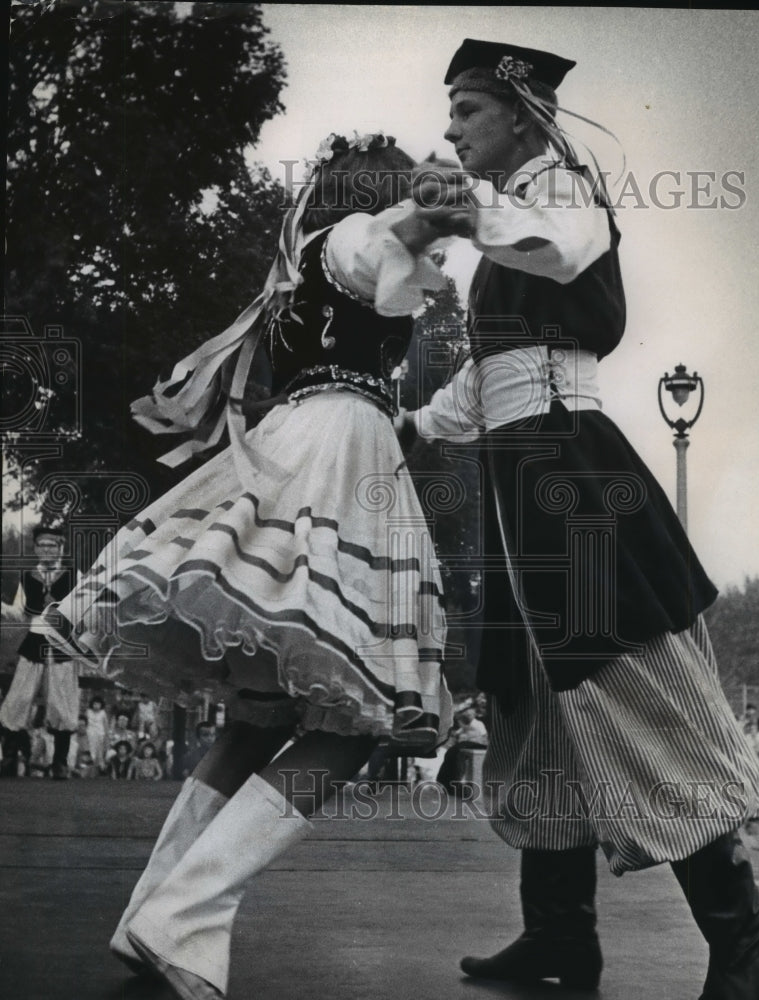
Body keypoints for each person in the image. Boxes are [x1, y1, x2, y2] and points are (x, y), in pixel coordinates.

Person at [398, 38, 759, 1000]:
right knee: (537, 710)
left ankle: (745, 929)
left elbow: (562, 250)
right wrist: (402, 421)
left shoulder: (559, 191)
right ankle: (560, 938)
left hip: (569, 480)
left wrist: (465, 210)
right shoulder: (507, 220)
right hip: (521, 476)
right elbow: (488, 381)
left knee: (630, 692)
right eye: (449, 112)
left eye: (467, 111)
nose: (450, 129)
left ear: (523, 115)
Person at [43, 129, 467, 1000]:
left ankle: (154, 914)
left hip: (290, 442)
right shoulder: (356, 238)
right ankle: (181, 917)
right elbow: (393, 237)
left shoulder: (297, 261)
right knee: (366, 721)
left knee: (256, 716)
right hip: (342, 453)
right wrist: (446, 207)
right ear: (373, 192)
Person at [0, 525, 80, 780]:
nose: (47, 550)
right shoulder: (28, 577)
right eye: (42, 546)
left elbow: (84, 609)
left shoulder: (74, 576)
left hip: (61, 643)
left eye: (52, 546)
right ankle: (10, 757)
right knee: (18, 699)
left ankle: (60, 763)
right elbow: (19, 611)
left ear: (60, 548)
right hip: (34, 641)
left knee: (62, 703)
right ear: (36, 548)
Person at [85, 695, 109, 773]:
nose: (96, 706)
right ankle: (90, 767)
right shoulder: (88, 711)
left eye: (98, 704)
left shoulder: (103, 713)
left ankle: (100, 768)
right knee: (91, 749)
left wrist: (106, 735)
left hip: (100, 734)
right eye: (95, 704)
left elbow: (106, 725)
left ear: (101, 705)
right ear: (92, 704)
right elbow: (85, 722)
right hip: (90, 733)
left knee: (100, 751)